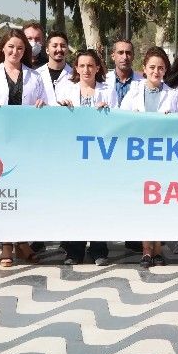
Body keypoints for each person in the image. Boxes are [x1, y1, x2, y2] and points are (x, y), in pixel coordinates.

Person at [0, 29, 47, 267]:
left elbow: (46, 105)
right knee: (6, 196)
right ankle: (6, 245)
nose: (15, 51)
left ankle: (22, 241)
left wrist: (42, 104)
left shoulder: (35, 77)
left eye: (20, 48)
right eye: (11, 47)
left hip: (25, 143)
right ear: (3, 49)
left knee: (23, 194)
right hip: (1, 142)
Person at [53, 49, 116, 266]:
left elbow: (118, 119)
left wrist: (108, 110)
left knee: (98, 201)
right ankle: (74, 250)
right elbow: (56, 121)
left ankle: (99, 249)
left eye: (90, 65)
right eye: (82, 66)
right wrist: (62, 110)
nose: (86, 70)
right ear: (76, 68)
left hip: (100, 155)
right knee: (75, 201)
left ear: (97, 68)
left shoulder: (107, 91)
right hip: (74, 156)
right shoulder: (66, 90)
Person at [121, 46, 178, 267]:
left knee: (161, 203)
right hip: (140, 156)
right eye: (152, 67)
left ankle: (158, 249)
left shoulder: (173, 95)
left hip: (164, 156)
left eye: (161, 68)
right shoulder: (133, 92)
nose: (156, 71)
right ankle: (146, 249)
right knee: (144, 203)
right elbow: (122, 118)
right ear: (144, 69)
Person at [35, 30, 72, 105]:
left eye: (63, 46)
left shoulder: (75, 76)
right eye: (54, 46)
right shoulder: (36, 75)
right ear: (47, 50)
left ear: (67, 49)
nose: (59, 49)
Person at [105, 39, 142, 108]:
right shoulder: (104, 81)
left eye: (128, 53)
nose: (125, 57)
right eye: (120, 52)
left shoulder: (143, 83)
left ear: (133, 56)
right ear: (113, 56)